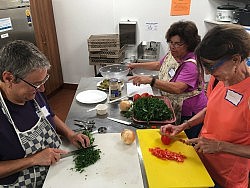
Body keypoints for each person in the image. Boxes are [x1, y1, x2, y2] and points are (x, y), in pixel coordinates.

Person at [160, 24, 250, 187]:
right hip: (200, 163)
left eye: (211, 66)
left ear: (236, 59)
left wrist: (219, 146)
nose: (207, 73)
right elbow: (212, 109)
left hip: (226, 178)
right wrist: (184, 126)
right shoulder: (219, 79)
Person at [0, 40, 90, 187]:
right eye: (36, 84)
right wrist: (33, 160)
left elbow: (49, 116)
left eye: (44, 80)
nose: (42, 89)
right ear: (8, 78)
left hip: (55, 172)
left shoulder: (32, 92)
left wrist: (70, 134)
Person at [128, 20, 207, 138]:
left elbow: (178, 88)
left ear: (189, 44)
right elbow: (160, 65)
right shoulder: (174, 53)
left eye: (178, 44)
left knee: (185, 144)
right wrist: (136, 65)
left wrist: (151, 80)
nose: (173, 47)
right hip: (173, 105)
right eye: (171, 42)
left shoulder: (191, 64)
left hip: (190, 113)